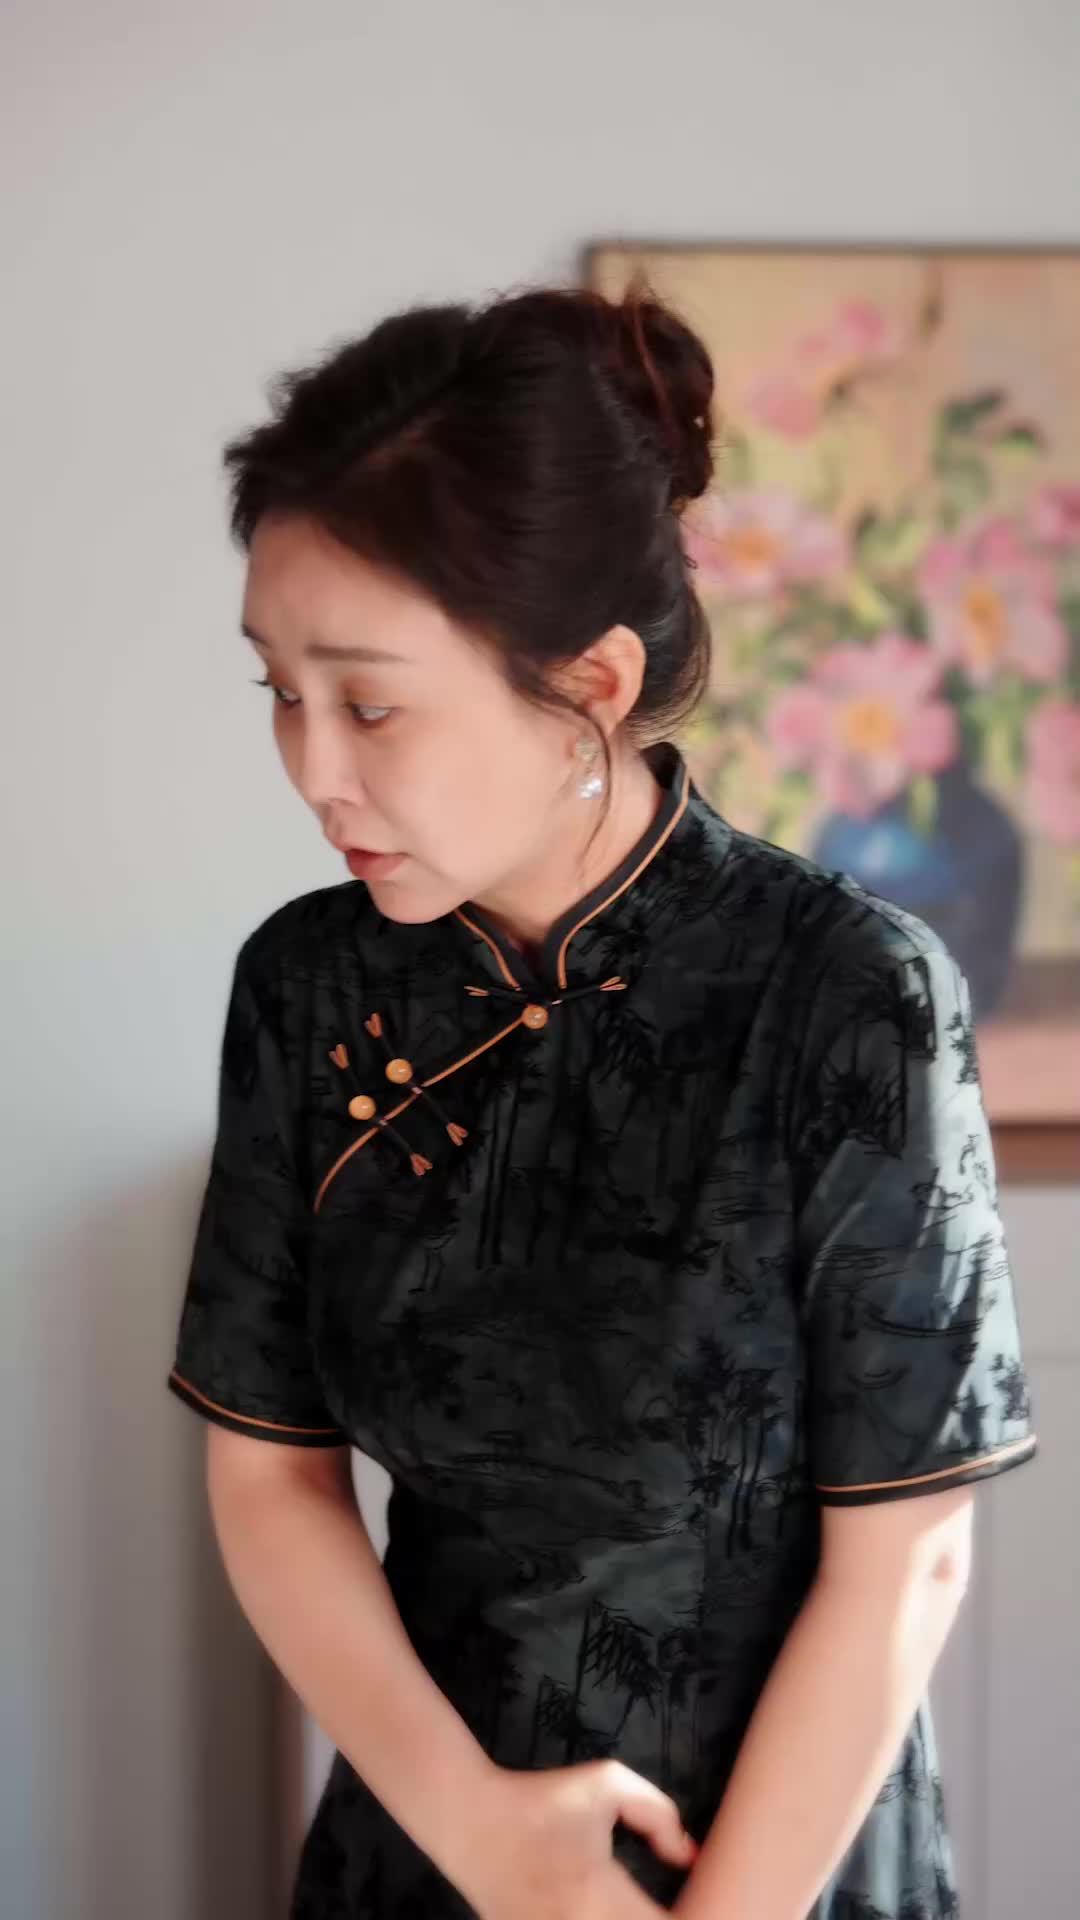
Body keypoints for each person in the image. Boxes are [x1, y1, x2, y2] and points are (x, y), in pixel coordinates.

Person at [166, 273, 1038, 1920]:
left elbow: (908, 1555)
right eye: (280, 689)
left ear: (593, 685)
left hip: (774, 1866)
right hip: (428, 1848)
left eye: (370, 701)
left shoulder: (848, 992)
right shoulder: (311, 987)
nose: (313, 768)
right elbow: (271, 1475)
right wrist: (487, 1839)